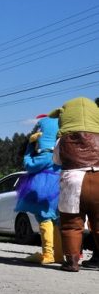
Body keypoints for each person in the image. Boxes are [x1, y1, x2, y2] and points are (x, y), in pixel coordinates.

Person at [48, 97, 99, 272]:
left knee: (72, 224)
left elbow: (56, 159)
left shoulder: (62, 140)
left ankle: (72, 262)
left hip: (73, 180)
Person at [15, 116, 62, 264]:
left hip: (42, 188)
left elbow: (28, 165)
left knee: (44, 218)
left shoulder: (45, 155)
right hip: (59, 187)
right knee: (56, 220)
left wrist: (30, 146)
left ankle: (48, 254)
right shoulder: (61, 153)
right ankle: (59, 255)